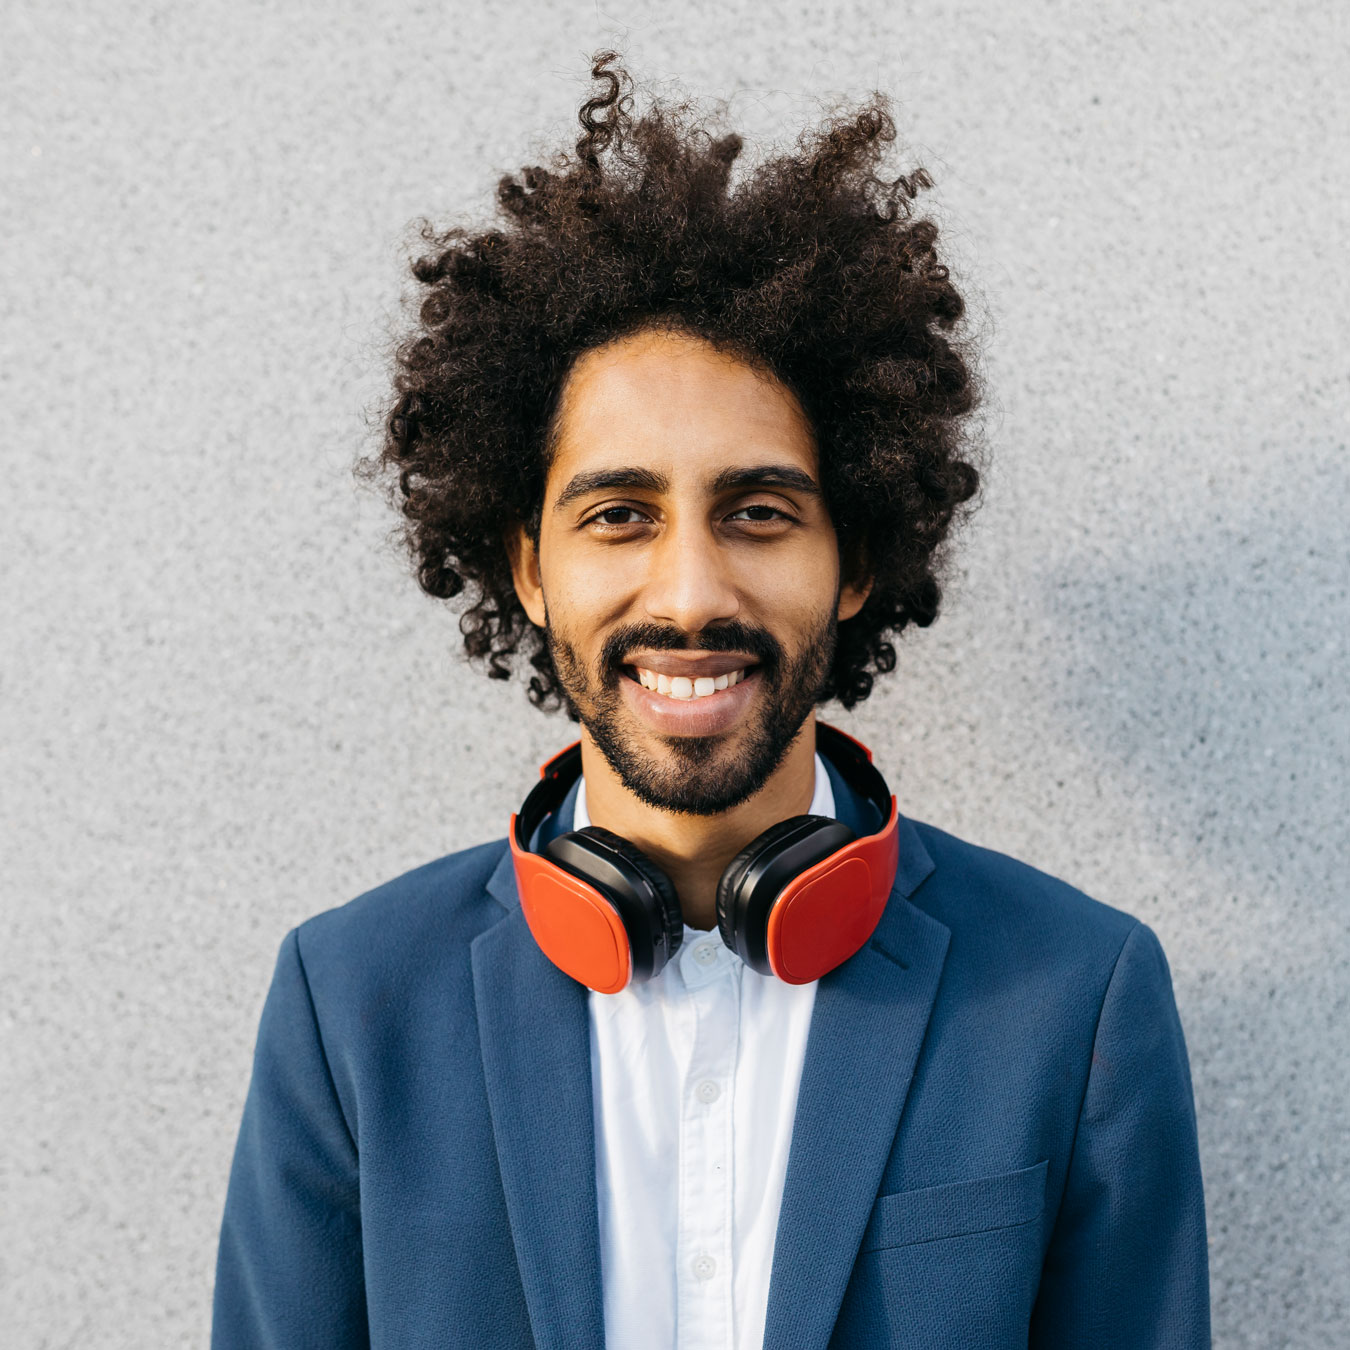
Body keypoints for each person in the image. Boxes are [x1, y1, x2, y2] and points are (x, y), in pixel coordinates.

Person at [212, 52, 1210, 1350]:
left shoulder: (1075, 995)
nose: (689, 588)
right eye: (617, 515)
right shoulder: (348, 1003)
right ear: (526, 565)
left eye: (757, 513)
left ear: (853, 561)